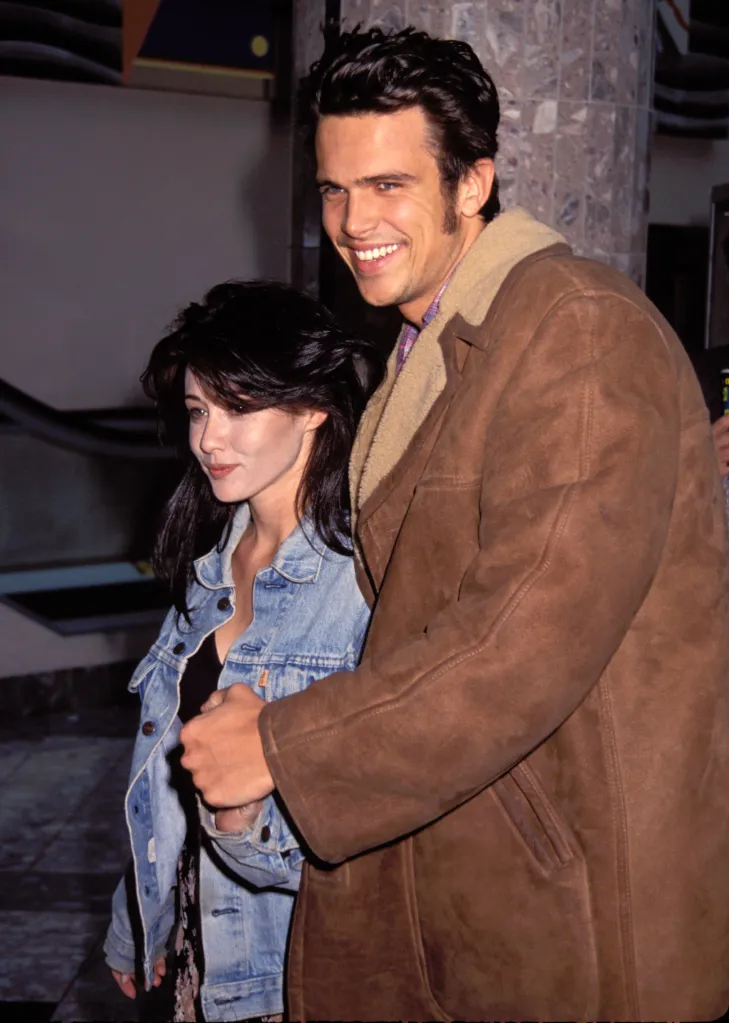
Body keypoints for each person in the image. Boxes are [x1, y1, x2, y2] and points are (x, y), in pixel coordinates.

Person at [179, 27, 729, 1022]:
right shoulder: (430, 337)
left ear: (473, 182)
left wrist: (285, 747)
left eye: (388, 186)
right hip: (475, 870)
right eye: (335, 190)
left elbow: (522, 638)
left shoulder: (574, 328)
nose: (354, 221)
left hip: (569, 916)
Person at [103, 280, 383, 1022]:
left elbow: (379, 827)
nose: (207, 439)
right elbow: (164, 765)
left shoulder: (366, 580)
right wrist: (138, 917)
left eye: (238, 407)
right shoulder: (208, 562)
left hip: (295, 966)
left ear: (315, 405)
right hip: (199, 950)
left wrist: (244, 815)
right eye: (197, 410)